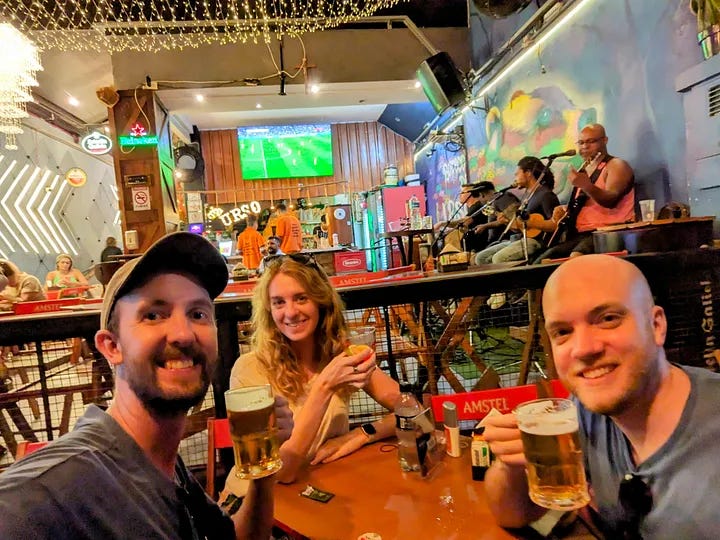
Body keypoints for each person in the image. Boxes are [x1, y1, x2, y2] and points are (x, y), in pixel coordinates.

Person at [0, 232, 294, 539]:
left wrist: (262, 475)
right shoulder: (60, 486)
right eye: (153, 315)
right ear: (112, 346)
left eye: (198, 314)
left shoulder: (164, 464)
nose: (183, 334)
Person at [482, 254, 720, 539]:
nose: (583, 349)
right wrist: (511, 463)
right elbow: (511, 514)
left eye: (608, 319)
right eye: (563, 331)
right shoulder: (581, 413)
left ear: (657, 325)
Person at [220, 253, 400, 508]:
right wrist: (325, 385)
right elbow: (283, 471)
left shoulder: (341, 357)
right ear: (269, 310)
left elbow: (411, 411)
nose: (290, 312)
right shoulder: (250, 369)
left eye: (301, 298)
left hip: (314, 498)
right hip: (253, 508)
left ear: (321, 301)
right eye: (279, 302)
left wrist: (362, 434)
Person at [533, 124, 635, 262]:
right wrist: (565, 209)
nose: (584, 146)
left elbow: (612, 199)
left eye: (591, 141)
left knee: (576, 259)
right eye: (581, 142)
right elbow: (588, 203)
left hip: (608, 233)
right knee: (541, 261)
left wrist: (586, 186)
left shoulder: (616, 165)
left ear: (604, 140)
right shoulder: (584, 170)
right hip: (581, 234)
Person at [474, 157, 559, 265]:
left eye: (517, 174)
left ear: (528, 173)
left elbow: (556, 225)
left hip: (537, 241)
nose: (515, 177)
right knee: (481, 258)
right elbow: (519, 228)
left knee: (499, 259)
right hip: (519, 238)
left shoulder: (545, 195)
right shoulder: (526, 196)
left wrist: (531, 223)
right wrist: (507, 222)